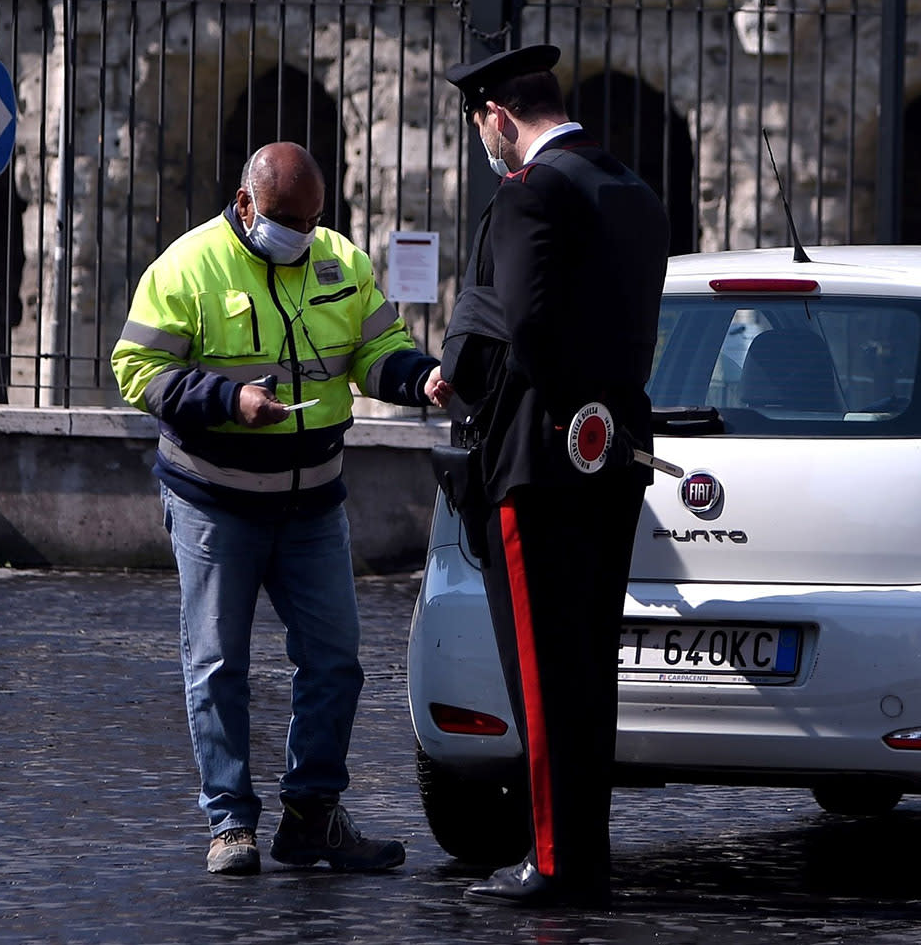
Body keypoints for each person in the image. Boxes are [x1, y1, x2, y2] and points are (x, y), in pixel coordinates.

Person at [113, 141, 440, 878]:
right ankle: (230, 823)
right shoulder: (187, 266)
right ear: (245, 204)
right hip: (214, 501)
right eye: (286, 218)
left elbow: (377, 348)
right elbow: (136, 368)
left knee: (335, 662)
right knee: (218, 663)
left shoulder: (341, 261)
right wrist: (230, 399)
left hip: (314, 502)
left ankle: (311, 816)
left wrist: (422, 379)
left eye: (312, 218)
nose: (301, 231)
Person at [430, 44, 670, 909]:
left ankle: (557, 860)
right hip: (610, 455)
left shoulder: (530, 193)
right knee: (585, 670)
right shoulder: (631, 191)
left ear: (497, 114)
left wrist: (476, 382)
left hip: (539, 457)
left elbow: (526, 327)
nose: (484, 144)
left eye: (480, 127)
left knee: (540, 670)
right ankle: (582, 853)